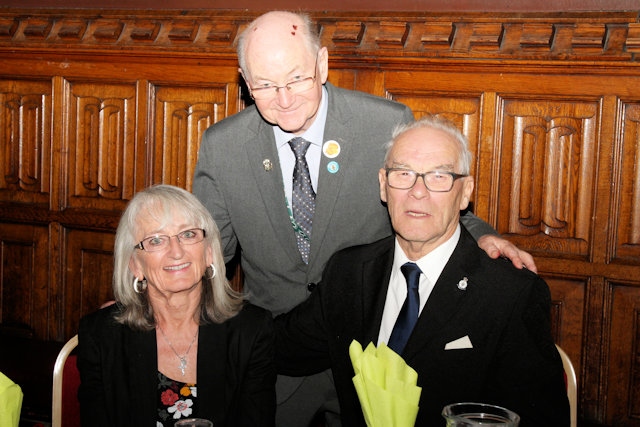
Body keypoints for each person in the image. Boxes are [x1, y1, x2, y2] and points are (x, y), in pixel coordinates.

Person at [192, 10, 537, 426]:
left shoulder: (383, 123)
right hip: (277, 359)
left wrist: (482, 236)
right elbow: (205, 258)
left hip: (371, 363)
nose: (283, 99)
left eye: (296, 79)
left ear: (321, 65)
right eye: (265, 85)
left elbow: (423, 195)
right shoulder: (223, 146)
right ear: (246, 82)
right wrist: (148, 303)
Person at [274, 116, 570, 426]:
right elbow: (278, 346)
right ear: (383, 185)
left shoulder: (509, 293)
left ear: (465, 191)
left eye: (438, 176)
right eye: (403, 174)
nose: (418, 191)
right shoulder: (349, 272)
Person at [77, 185, 276, 427]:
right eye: (156, 240)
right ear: (135, 265)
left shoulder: (251, 332)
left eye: (188, 234)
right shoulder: (102, 335)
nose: (176, 252)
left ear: (210, 252)